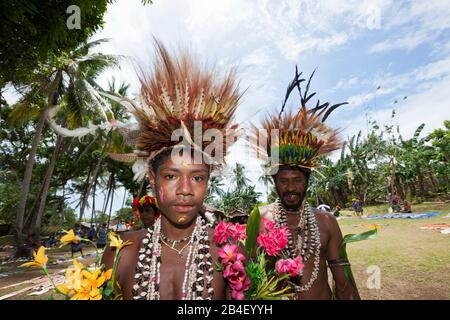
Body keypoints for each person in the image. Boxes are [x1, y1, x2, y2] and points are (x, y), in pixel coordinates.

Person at [101, 41, 243, 300]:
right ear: (152, 178)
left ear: (209, 181)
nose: (186, 190)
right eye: (170, 176)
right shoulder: (120, 251)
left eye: (197, 177)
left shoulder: (230, 251)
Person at [253, 68, 360, 300]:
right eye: (283, 181)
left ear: (307, 181)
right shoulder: (258, 219)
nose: (290, 188)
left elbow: (342, 280)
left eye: (297, 180)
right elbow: (245, 281)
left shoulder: (327, 222)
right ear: (274, 183)